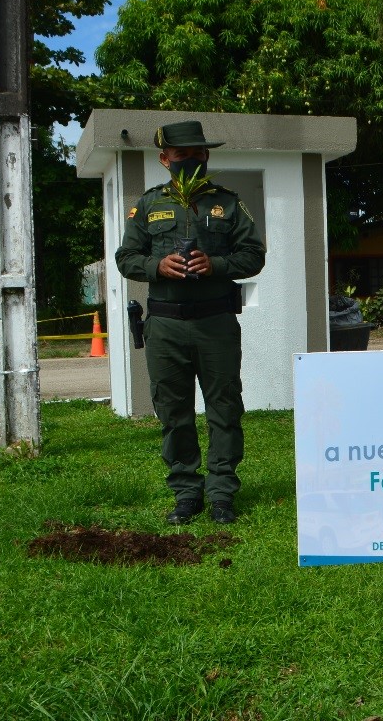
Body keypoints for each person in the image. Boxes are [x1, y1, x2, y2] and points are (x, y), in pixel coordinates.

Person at [115, 120, 266, 524]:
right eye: (182, 156)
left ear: (207, 157)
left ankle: (221, 493)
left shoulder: (228, 203)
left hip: (215, 323)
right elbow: (125, 258)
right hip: (165, 327)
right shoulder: (148, 205)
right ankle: (186, 492)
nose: (191, 161)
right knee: (173, 411)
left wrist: (215, 264)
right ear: (165, 159)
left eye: (198, 154)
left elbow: (254, 255)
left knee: (224, 406)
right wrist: (157, 265)